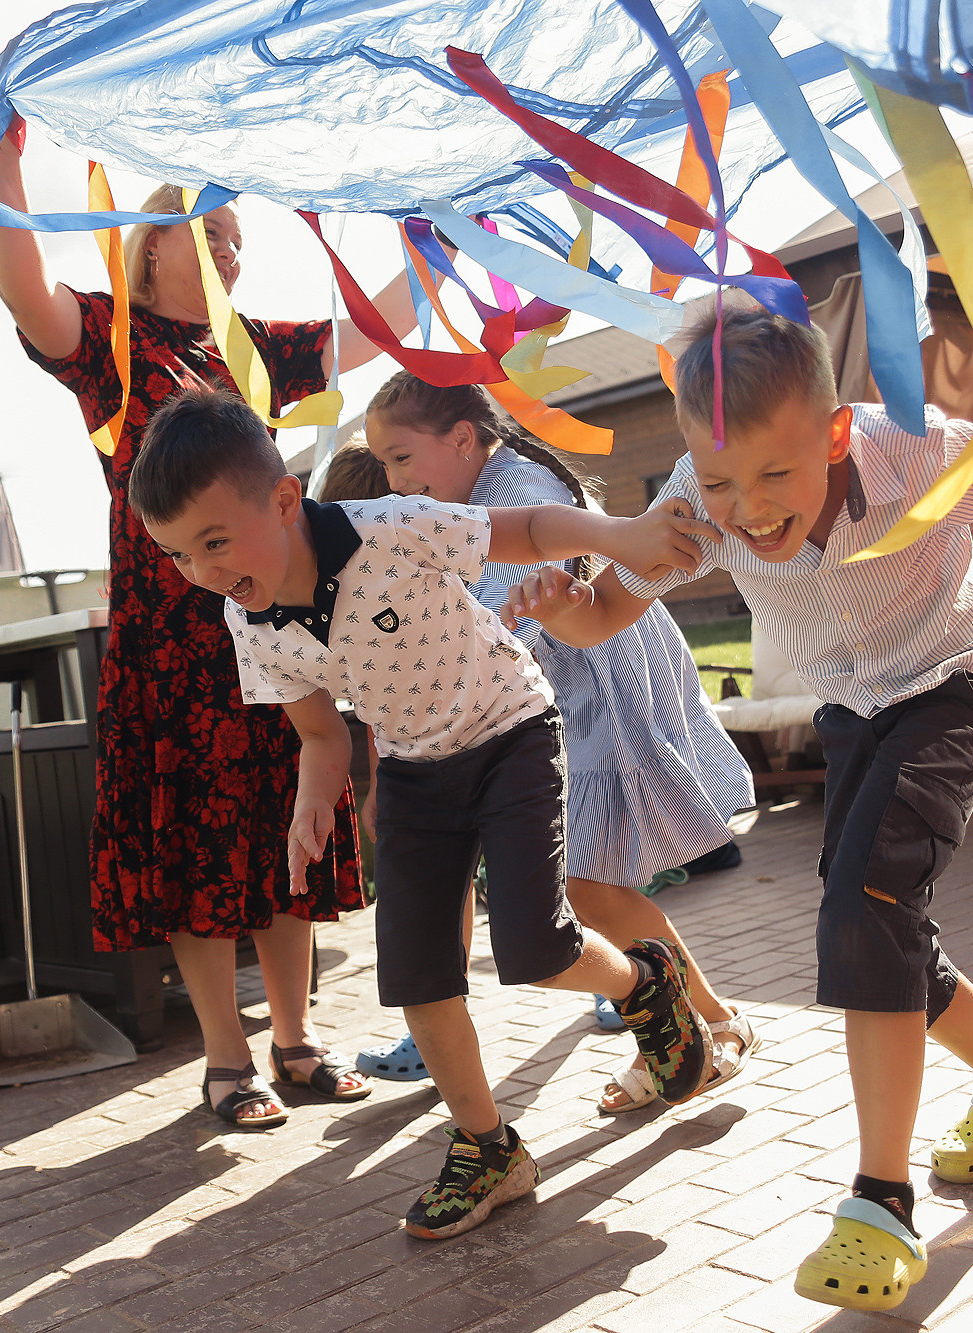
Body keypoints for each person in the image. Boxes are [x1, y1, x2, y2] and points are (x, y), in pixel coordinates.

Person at [504, 298, 973, 1311]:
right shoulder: (698, 497)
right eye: (721, 476)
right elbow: (609, 607)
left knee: (865, 905)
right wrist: (565, 607)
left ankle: (879, 1202)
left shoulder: (907, 446)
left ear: (830, 432)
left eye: (775, 474)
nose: (747, 505)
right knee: (879, 917)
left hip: (957, 673)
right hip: (854, 705)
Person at [127, 386, 719, 1238]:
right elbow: (321, 735)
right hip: (410, 773)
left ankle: (646, 984)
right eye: (180, 556)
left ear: (285, 500)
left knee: (537, 947)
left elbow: (524, 532)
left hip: (510, 730)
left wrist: (618, 536)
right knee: (416, 975)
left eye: (215, 541)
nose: (206, 571)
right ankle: (488, 1148)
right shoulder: (246, 620)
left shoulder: (384, 527)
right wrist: (310, 804)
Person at [0, 133, 420, 1124]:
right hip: (163, 659)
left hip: (267, 634)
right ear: (145, 242)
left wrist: (436, 235)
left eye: (234, 236)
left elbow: (368, 331)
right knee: (196, 860)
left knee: (284, 840)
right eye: (207, 230)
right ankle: (228, 1060)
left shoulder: (251, 351)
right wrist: (3, 182)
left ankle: (296, 1043)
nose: (228, 249)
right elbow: (24, 293)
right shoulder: (108, 339)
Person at [351, 377, 758, 1113]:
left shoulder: (514, 487)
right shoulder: (476, 492)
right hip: (561, 692)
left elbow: (499, 615)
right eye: (385, 465)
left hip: (594, 686)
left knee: (587, 883)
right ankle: (687, 1027)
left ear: (463, 439)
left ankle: (706, 1023)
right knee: (589, 882)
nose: (396, 481)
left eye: (404, 458)